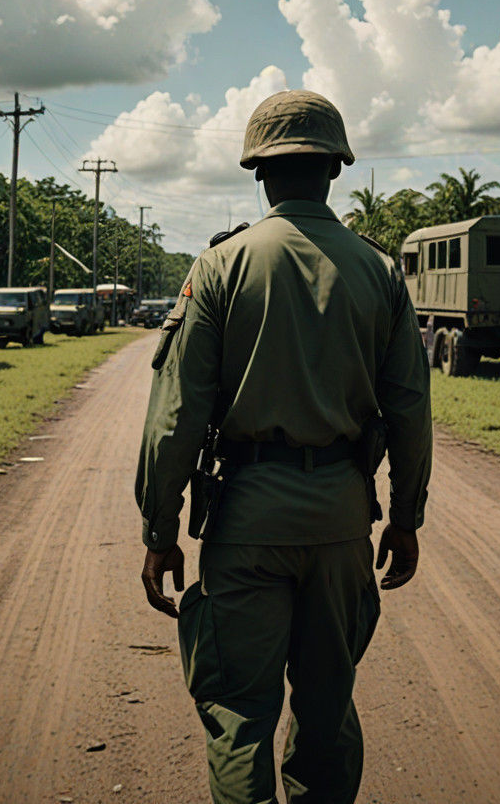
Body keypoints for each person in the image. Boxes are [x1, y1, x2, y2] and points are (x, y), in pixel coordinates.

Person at [135, 89, 433, 804]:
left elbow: (176, 415)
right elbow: (412, 410)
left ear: (257, 172)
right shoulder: (380, 271)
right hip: (339, 523)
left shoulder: (220, 267)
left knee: (240, 714)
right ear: (335, 169)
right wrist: (406, 516)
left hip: (245, 520)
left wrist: (159, 528)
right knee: (327, 712)